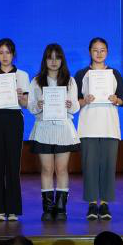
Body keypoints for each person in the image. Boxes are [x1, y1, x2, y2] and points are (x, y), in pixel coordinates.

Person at [73, 37, 123, 221]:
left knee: (108, 166)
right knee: (89, 166)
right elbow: (73, 101)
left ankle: (104, 204)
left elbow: (122, 98)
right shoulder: (81, 74)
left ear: (107, 52)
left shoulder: (114, 73)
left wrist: (116, 99)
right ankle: (91, 204)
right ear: (90, 52)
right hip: (88, 127)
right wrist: (84, 101)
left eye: (102, 50)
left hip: (109, 127)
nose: (99, 53)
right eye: (95, 50)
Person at [29, 43, 80, 221]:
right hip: (43, 129)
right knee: (47, 169)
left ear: (62, 60)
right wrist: (38, 105)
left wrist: (70, 104)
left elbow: (75, 107)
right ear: (45, 60)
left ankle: (61, 208)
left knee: (61, 169)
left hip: (63, 130)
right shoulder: (36, 81)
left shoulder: (70, 81)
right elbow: (31, 107)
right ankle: (48, 208)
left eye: (57, 57)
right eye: (50, 58)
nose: (53, 61)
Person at [0, 38, 30, 221]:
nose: (4, 56)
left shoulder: (22, 75)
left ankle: (13, 209)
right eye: (1, 53)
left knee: (13, 164)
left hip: (14, 118)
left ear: (13, 54)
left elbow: (25, 104)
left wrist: (20, 97)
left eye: (8, 52)